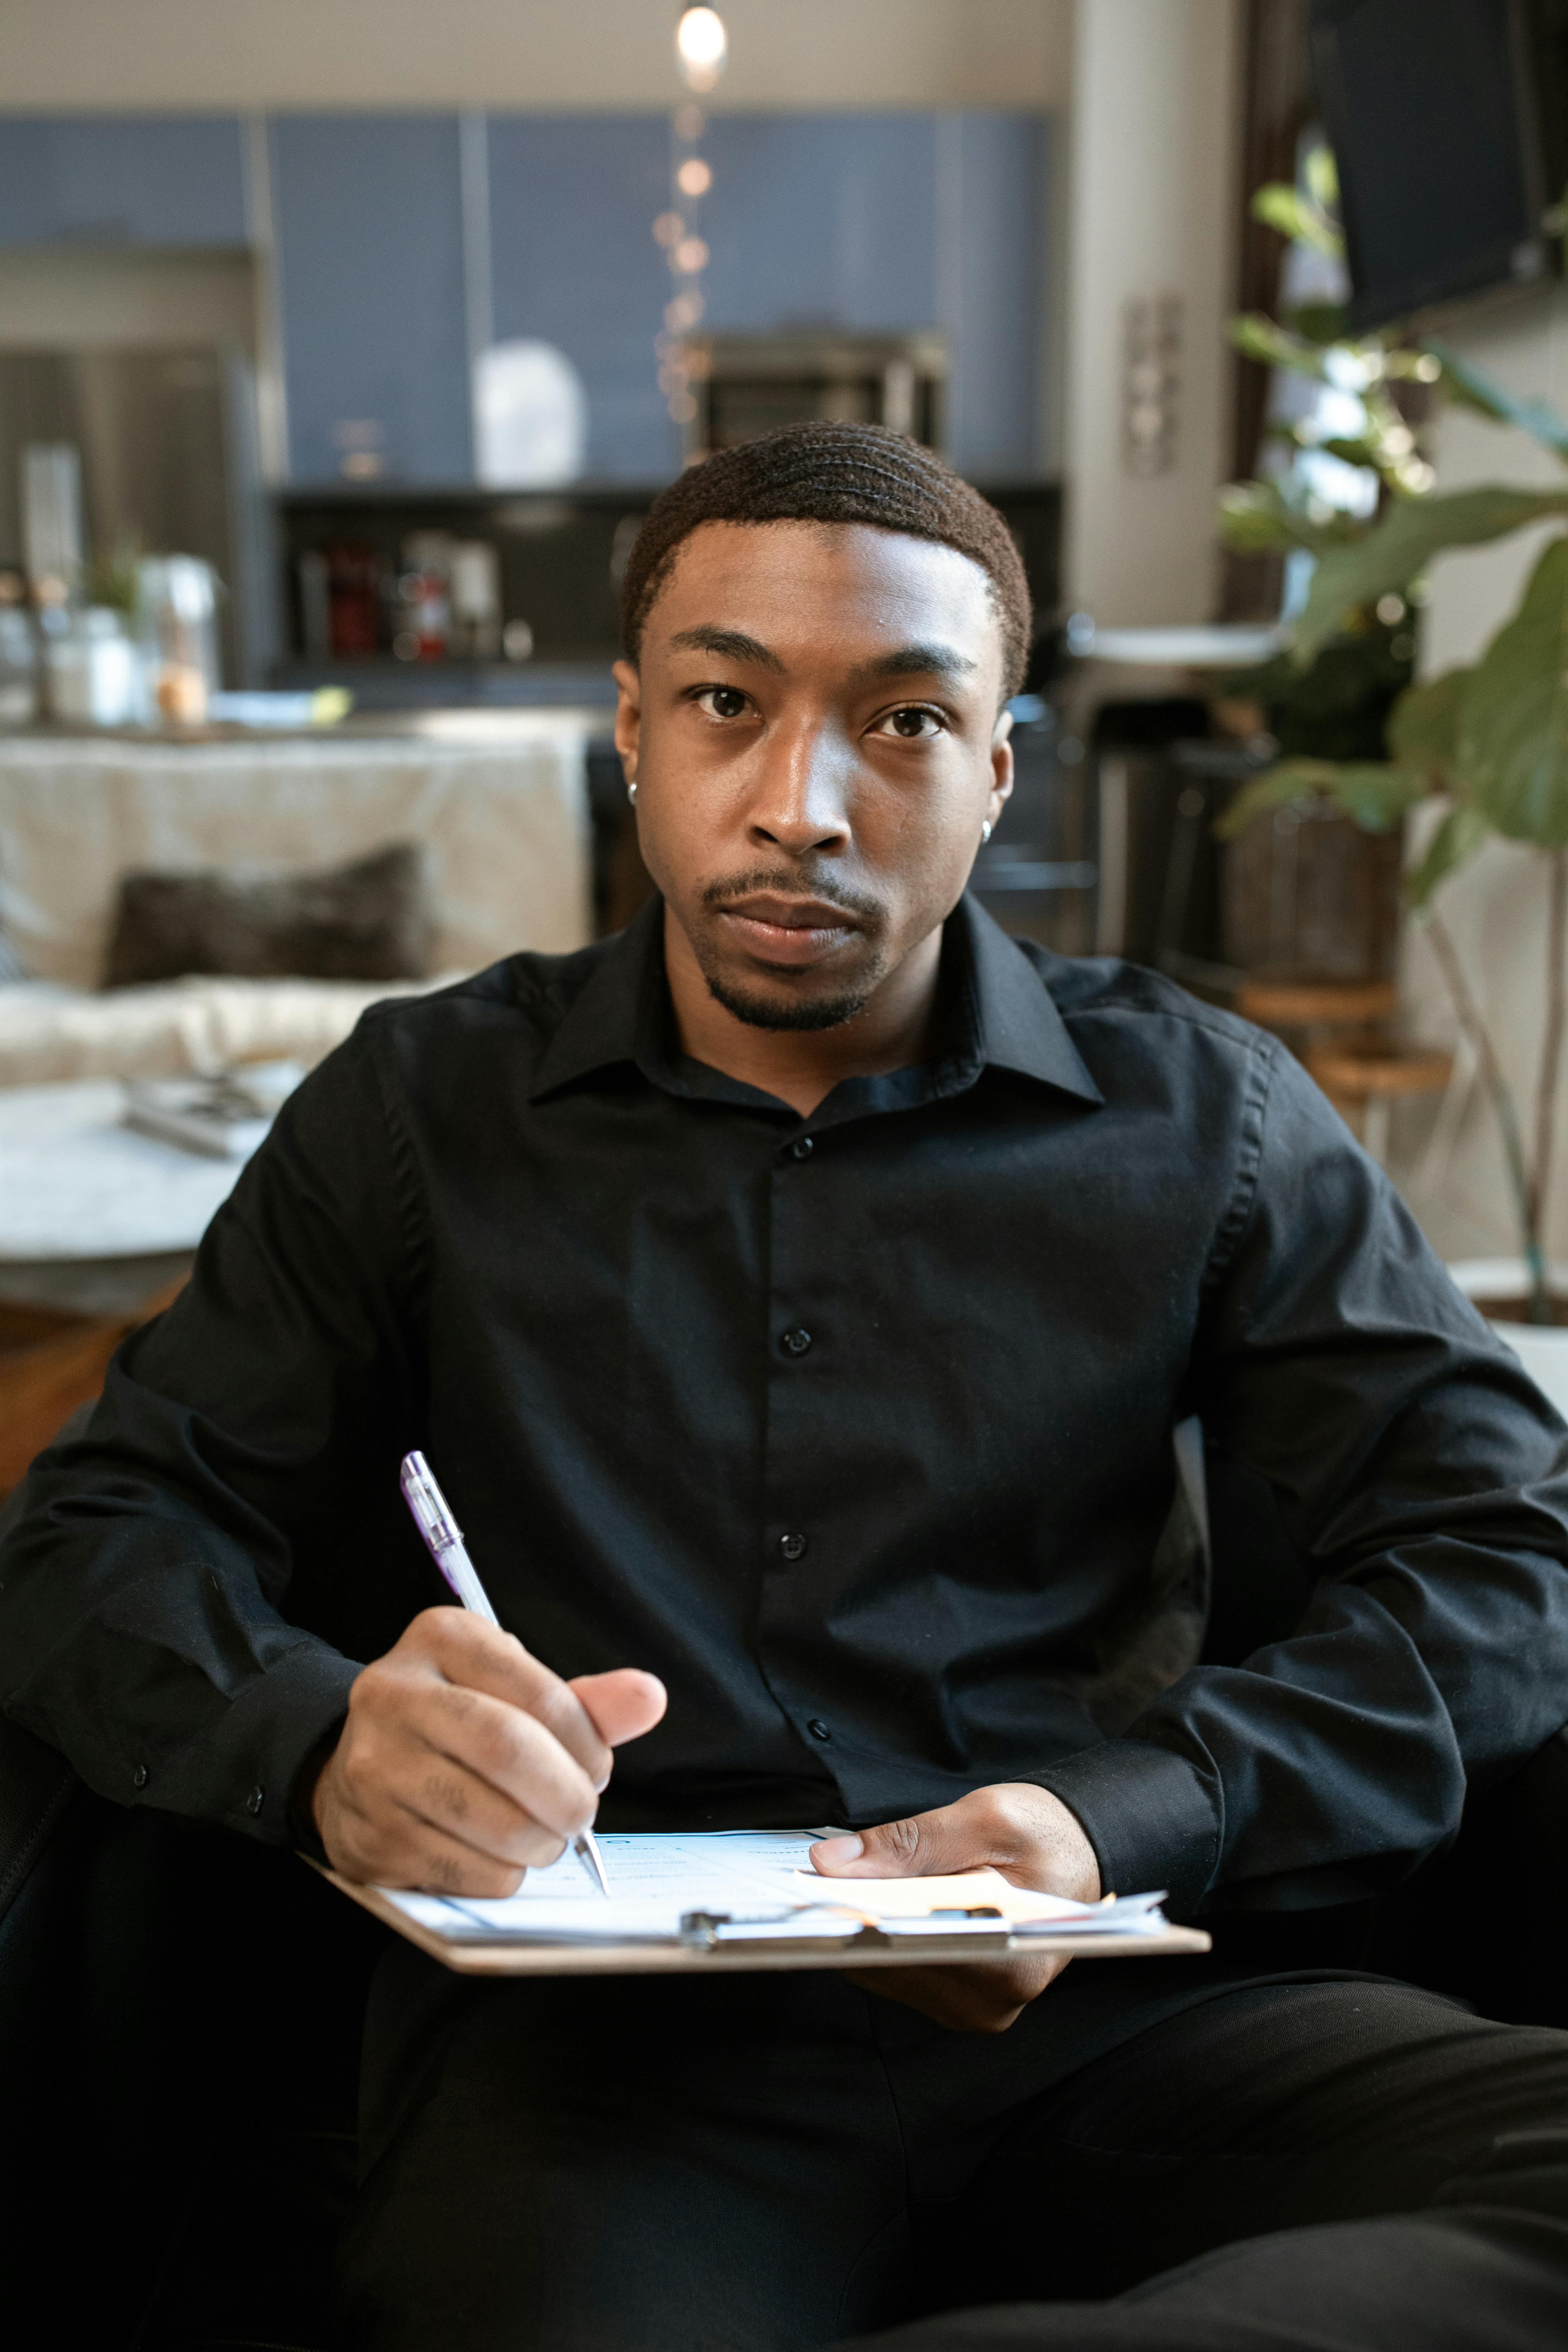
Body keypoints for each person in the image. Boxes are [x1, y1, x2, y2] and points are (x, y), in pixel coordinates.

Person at [3, 420, 1568, 2351]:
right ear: (633, 734)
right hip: (606, 2070)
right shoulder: (416, 1115)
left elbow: (1512, 1554)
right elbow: (96, 1528)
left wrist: (1143, 1809)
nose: (799, 803)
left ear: (997, 769)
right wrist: (320, 1736)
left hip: (1119, 2002)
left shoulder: (1210, 1118)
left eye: (902, 723)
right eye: (726, 702)